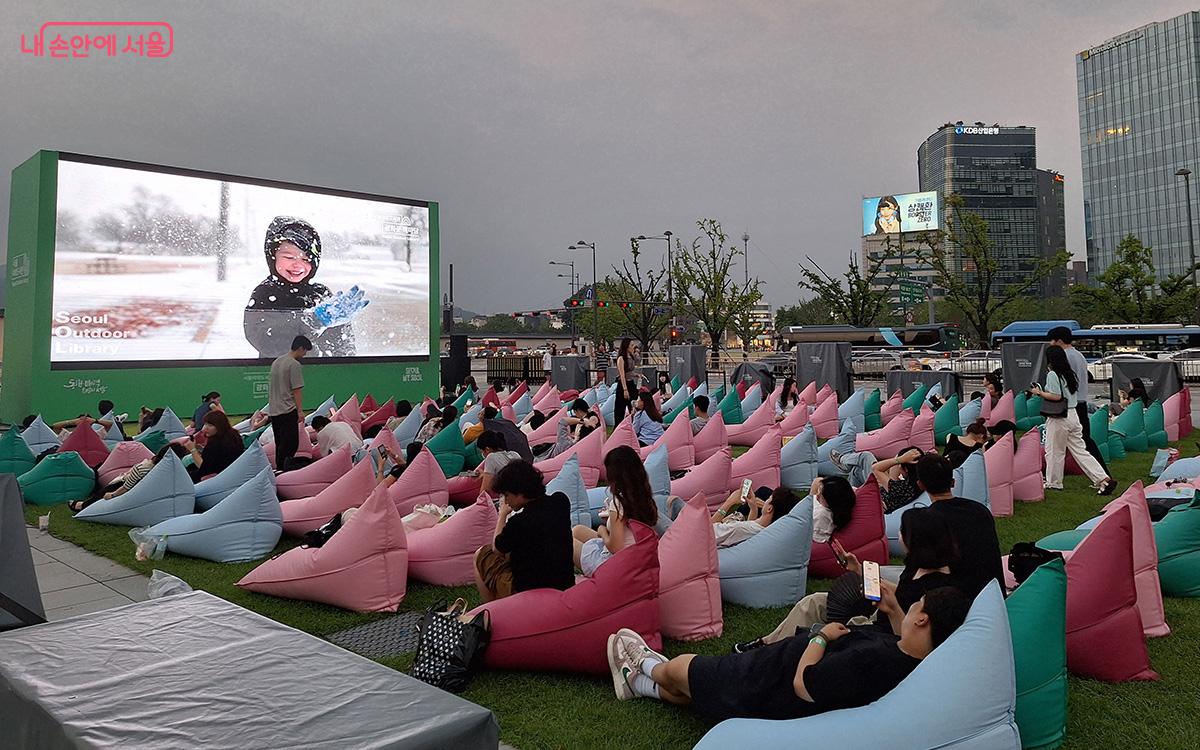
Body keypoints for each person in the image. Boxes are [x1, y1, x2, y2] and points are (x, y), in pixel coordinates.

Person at [606, 586, 972, 718]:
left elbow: (805, 684)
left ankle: (645, 667)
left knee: (683, 670)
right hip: (770, 668)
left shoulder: (873, 661)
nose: (909, 608)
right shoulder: (915, 659)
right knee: (690, 695)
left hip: (766, 683)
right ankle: (636, 685)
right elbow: (896, 646)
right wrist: (892, 611)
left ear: (923, 619)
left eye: (914, 606)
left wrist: (822, 639)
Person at [737, 505, 962, 651]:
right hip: (879, 609)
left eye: (903, 532)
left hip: (884, 632)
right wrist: (858, 570)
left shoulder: (940, 590)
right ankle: (767, 643)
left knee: (826, 629)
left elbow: (911, 638)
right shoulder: (917, 564)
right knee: (813, 601)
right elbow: (903, 590)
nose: (899, 536)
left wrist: (892, 609)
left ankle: (783, 651)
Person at [473, 460, 575, 602]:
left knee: (481, 554)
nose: (506, 500)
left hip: (528, 590)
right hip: (564, 583)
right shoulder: (561, 501)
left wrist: (502, 515)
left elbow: (497, 548)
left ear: (520, 493)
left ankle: (491, 610)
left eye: (506, 495)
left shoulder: (519, 522)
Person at [915, 454, 1006, 597]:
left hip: (956, 604)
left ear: (920, 484)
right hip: (992, 597)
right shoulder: (980, 511)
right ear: (953, 482)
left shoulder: (926, 521)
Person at [1032, 345, 1118, 495]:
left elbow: (1056, 396)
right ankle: (1103, 478)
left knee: (1054, 451)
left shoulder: (1053, 374)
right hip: (1073, 414)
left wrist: (1039, 392)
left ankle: (1054, 482)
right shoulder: (1069, 374)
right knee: (1081, 451)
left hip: (1058, 417)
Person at [572, 446, 658, 576]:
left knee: (567, 539)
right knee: (578, 530)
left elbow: (615, 547)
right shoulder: (644, 498)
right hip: (637, 557)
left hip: (616, 566)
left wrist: (602, 530)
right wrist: (611, 522)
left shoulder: (618, 504)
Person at [1048, 326, 1110, 475]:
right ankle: (1100, 474)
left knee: (1082, 443)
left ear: (1060, 340)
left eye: (1052, 340)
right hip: (1080, 401)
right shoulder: (1079, 355)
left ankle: (1101, 473)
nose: (1050, 343)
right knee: (1082, 442)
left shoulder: (1065, 357)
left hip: (1070, 404)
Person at [72, 444, 189, 511]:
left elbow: (126, 487)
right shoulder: (174, 472)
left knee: (108, 490)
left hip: (127, 490)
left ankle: (82, 505)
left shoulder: (144, 468)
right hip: (144, 494)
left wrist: (112, 495)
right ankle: (84, 504)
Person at [709, 486, 804, 548]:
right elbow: (750, 528)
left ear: (769, 508)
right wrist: (753, 508)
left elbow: (706, 531)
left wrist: (729, 502)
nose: (765, 501)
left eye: (768, 499)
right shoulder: (768, 531)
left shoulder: (739, 529)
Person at [268, 335, 311, 471]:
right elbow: (297, 390)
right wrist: (299, 411)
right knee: (290, 445)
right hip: (287, 410)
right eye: (304, 351)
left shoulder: (277, 362)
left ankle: (279, 469)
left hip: (274, 411)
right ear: (300, 348)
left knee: (280, 443)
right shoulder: (294, 364)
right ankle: (283, 471)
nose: (304, 355)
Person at [183, 411, 245, 481]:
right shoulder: (234, 435)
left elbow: (204, 468)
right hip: (232, 472)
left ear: (219, 426)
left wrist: (192, 450)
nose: (205, 428)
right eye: (205, 424)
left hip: (217, 477)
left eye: (210, 425)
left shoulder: (215, 443)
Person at [470, 430, 521, 498]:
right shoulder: (515, 454)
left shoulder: (491, 457)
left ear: (487, 449)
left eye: (482, 451)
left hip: (508, 499)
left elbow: (484, 491)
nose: (482, 454)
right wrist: (485, 474)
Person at [872, 447, 923, 514]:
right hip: (887, 492)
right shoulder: (918, 482)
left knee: (865, 457)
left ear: (906, 469)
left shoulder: (900, 489)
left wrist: (900, 459)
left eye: (900, 465)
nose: (898, 467)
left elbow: (875, 468)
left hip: (877, 497)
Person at [613, 338, 643, 426]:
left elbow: (629, 372)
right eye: (632, 345)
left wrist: (637, 375)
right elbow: (622, 374)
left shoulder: (631, 356)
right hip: (623, 385)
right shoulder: (621, 358)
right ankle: (618, 427)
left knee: (634, 405)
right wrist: (625, 389)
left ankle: (634, 425)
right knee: (620, 408)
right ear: (627, 346)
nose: (633, 347)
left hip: (631, 383)